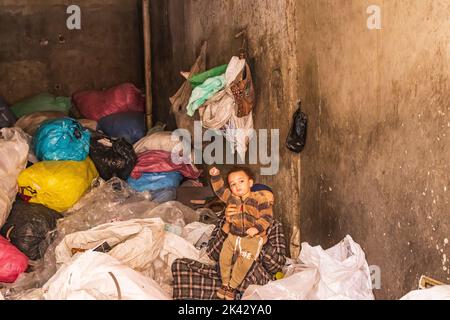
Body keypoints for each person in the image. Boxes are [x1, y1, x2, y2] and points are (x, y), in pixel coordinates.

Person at [209, 166, 274, 300]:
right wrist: (215, 177)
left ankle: (231, 286)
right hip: (233, 235)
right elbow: (220, 190)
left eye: (241, 182)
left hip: (251, 240)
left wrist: (258, 229)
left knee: (244, 263)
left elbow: (267, 217)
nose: (237, 186)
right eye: (233, 184)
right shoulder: (231, 199)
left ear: (250, 183)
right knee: (223, 257)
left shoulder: (259, 199)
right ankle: (225, 284)